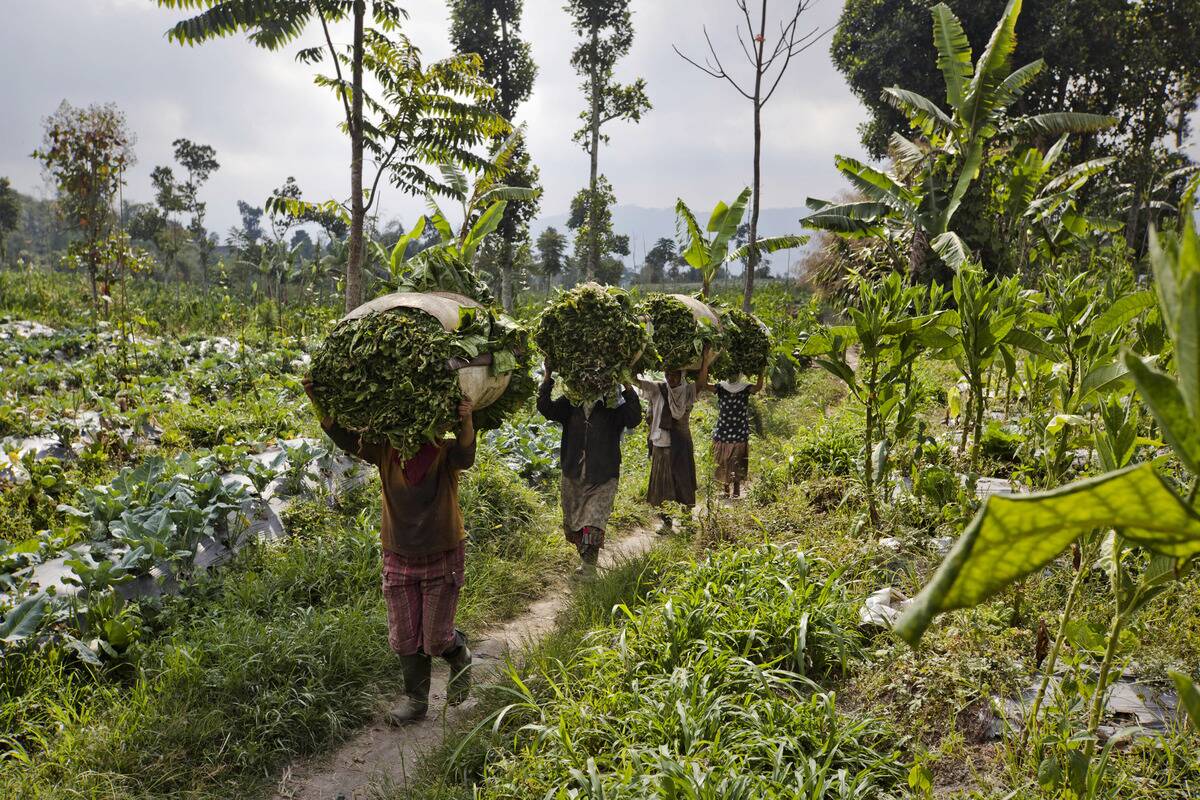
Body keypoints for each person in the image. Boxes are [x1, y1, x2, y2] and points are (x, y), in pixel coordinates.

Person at [303, 376, 476, 725]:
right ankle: (416, 702)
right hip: (398, 553)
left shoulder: (443, 451)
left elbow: (467, 454)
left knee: (437, 637)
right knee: (404, 634)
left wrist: (467, 417)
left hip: (442, 552)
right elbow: (343, 436)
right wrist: (316, 398)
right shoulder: (384, 451)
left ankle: (459, 654)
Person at [538, 362, 642, 578]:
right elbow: (546, 408)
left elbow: (634, 418)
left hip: (603, 474)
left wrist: (626, 384)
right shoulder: (570, 404)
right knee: (575, 520)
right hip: (573, 471)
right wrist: (548, 375)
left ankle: (589, 567)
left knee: (593, 519)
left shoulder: (613, 407)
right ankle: (586, 560)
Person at [638, 353, 709, 532]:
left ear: (682, 375)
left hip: (681, 443)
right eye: (668, 374)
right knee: (662, 485)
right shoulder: (657, 389)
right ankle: (666, 521)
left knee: (683, 481)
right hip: (661, 445)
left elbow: (701, 383)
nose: (671, 378)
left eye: (675, 375)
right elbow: (637, 383)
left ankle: (687, 518)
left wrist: (706, 357)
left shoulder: (687, 392)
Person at [697, 371, 765, 498]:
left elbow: (758, 387)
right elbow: (705, 385)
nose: (731, 376)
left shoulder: (745, 388)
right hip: (723, 430)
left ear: (738, 374)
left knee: (737, 459)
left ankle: (737, 488)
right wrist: (705, 363)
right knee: (724, 460)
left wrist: (762, 370)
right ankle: (726, 487)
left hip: (739, 431)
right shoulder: (721, 387)